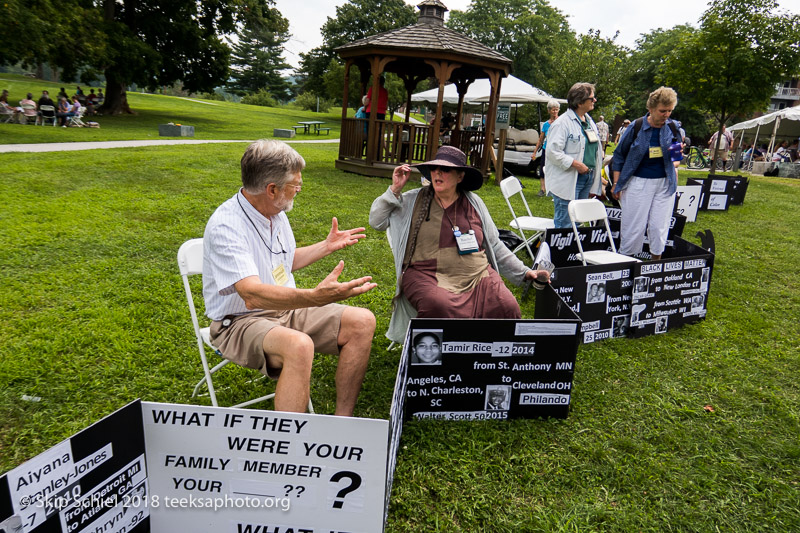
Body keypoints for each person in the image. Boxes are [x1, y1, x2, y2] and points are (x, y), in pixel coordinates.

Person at [202, 140, 377, 416]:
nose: (299, 189)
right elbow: (251, 294)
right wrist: (313, 298)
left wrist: (325, 246)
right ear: (272, 190)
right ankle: (292, 446)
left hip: (285, 311)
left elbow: (283, 262)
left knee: (362, 321)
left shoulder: (275, 211)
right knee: (298, 345)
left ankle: (343, 422)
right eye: (296, 185)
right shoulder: (227, 226)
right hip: (238, 323)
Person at [369, 145, 551, 345]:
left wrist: (525, 272)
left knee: (507, 306)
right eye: (434, 168)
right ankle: (442, 361)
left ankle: (492, 359)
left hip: (476, 274)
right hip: (426, 274)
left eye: (445, 169)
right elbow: (376, 221)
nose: (438, 173)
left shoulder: (474, 203)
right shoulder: (413, 200)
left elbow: (495, 245)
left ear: (460, 177)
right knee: (439, 306)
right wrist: (394, 190)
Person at [611, 86, 681, 261]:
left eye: (670, 111)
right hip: (637, 182)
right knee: (633, 227)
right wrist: (616, 183)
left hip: (664, 184)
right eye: (662, 111)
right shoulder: (636, 126)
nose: (666, 115)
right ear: (650, 109)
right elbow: (619, 155)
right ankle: (626, 263)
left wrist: (676, 154)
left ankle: (654, 266)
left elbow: (676, 160)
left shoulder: (674, 128)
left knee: (659, 227)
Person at [544, 82, 604, 228]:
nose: (594, 100)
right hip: (569, 178)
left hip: (587, 177)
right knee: (565, 223)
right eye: (591, 98)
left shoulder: (589, 121)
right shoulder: (562, 123)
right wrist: (576, 164)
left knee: (577, 220)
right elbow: (553, 152)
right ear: (580, 101)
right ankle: (561, 250)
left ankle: (573, 250)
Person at [531, 99, 560, 196]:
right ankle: (542, 189)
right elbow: (540, 139)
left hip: (557, 150)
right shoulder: (546, 125)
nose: (555, 112)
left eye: (556, 110)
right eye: (553, 110)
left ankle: (554, 190)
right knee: (543, 168)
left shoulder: (561, 122)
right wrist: (534, 152)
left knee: (556, 170)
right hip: (546, 149)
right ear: (549, 111)